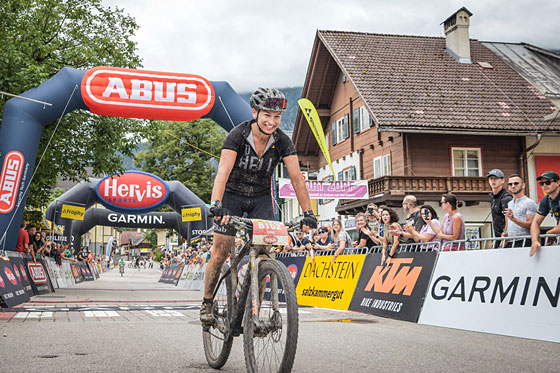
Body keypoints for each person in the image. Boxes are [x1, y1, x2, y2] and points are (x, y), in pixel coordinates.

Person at [201, 88, 317, 325]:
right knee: (221, 252)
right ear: (255, 112)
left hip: (261, 197)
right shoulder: (238, 135)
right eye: (267, 115)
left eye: (277, 117)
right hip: (232, 196)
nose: (272, 122)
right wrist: (217, 205)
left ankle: (256, 313)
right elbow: (222, 173)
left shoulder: (283, 141)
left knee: (265, 255)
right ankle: (207, 301)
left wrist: (308, 213)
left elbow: (296, 178)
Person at [530, 171, 560, 257]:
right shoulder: (546, 199)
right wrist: (535, 241)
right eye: (542, 183)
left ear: (558, 182)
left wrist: (549, 233)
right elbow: (535, 222)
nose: (544, 185)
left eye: (548, 182)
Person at [503, 174, 537, 248]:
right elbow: (507, 224)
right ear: (508, 187)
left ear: (523, 185)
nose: (513, 186)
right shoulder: (509, 203)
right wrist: (505, 234)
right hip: (510, 241)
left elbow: (531, 224)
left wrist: (514, 219)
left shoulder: (529, 202)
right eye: (510, 184)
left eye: (516, 183)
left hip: (524, 240)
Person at [487, 169, 513, 242]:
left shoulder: (506, 198)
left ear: (502, 180)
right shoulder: (493, 198)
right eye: (491, 178)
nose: (493, 181)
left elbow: (509, 219)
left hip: (507, 238)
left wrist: (505, 237)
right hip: (498, 238)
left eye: (496, 178)